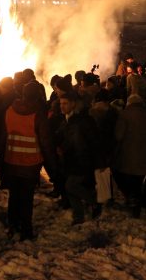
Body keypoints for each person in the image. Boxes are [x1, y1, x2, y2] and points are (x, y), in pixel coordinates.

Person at [0, 81, 54, 240]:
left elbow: (3, 137)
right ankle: (26, 230)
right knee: (26, 197)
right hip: (30, 163)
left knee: (14, 195)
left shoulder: (9, 111)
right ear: (37, 96)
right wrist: (52, 164)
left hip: (11, 160)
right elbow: (45, 142)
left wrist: (0, 161)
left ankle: (12, 224)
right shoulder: (38, 114)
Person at [58, 91, 105, 225]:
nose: (62, 106)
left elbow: (82, 143)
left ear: (73, 104)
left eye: (65, 103)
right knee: (71, 188)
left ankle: (95, 202)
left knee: (70, 186)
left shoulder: (81, 120)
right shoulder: (69, 118)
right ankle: (79, 216)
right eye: (61, 103)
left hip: (82, 161)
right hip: (74, 160)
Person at [113, 94, 146, 218]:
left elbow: (119, 135)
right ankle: (136, 204)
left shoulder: (124, 115)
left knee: (126, 179)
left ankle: (133, 203)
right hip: (145, 152)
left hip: (129, 152)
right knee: (137, 181)